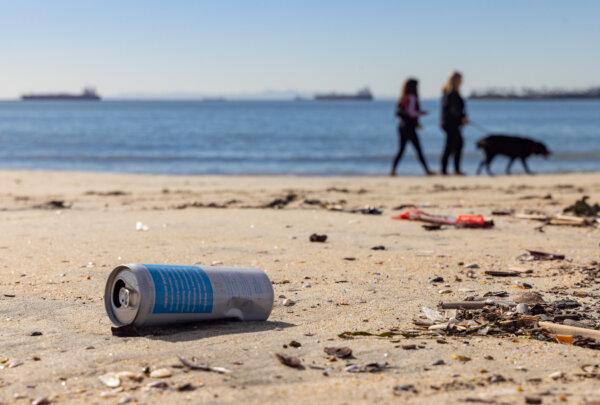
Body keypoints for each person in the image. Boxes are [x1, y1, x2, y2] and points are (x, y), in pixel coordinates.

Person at [390, 78, 434, 176]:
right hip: (408, 127)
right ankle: (427, 171)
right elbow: (411, 113)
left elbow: (404, 112)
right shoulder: (411, 97)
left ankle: (393, 170)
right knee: (417, 149)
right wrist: (422, 113)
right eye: (417, 86)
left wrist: (417, 120)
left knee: (402, 150)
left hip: (402, 127)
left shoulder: (403, 97)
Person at [440, 71, 468, 175]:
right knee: (451, 146)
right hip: (451, 124)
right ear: (456, 80)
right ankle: (447, 170)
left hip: (452, 123)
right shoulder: (451, 94)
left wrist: (463, 118)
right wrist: (462, 118)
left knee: (456, 145)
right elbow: (453, 110)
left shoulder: (450, 93)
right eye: (460, 79)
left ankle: (453, 170)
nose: (462, 81)